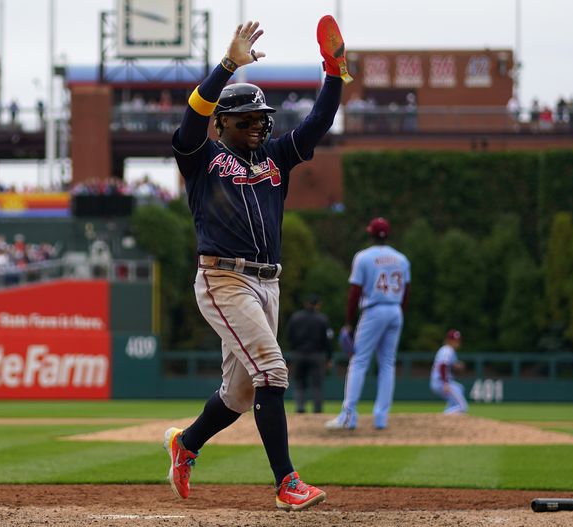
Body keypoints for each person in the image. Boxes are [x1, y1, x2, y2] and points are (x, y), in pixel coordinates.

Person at [162, 17, 350, 512]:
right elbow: (192, 115)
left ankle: (186, 444)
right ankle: (287, 482)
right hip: (223, 278)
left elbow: (318, 122)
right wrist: (228, 65)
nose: (257, 125)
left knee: (240, 394)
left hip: (268, 283)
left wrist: (334, 73)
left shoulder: (274, 156)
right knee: (272, 370)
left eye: (261, 119)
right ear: (221, 122)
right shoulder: (201, 157)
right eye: (244, 120)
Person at [325, 217, 411, 430]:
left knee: (359, 361)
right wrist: (399, 313)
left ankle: (348, 416)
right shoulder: (401, 259)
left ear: (370, 234)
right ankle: (381, 418)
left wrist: (349, 322)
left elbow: (354, 293)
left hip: (374, 310)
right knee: (387, 364)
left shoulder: (363, 257)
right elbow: (406, 292)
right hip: (395, 310)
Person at [286, 294, 333, 414]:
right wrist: (329, 357)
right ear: (318, 305)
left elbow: (289, 336)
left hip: (299, 354)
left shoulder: (295, 317)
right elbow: (328, 340)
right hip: (317, 355)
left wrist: (295, 349)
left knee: (299, 382)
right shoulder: (322, 319)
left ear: (306, 303)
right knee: (317, 384)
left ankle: (300, 408)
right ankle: (317, 410)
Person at [430, 329, 468, 414]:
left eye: (457, 340)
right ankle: (443, 417)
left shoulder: (448, 350)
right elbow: (443, 365)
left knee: (460, 388)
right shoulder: (447, 350)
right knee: (463, 407)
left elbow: (447, 366)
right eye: (454, 340)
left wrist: (456, 366)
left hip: (443, 382)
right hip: (441, 382)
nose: (456, 342)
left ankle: (447, 414)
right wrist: (445, 383)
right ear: (448, 340)